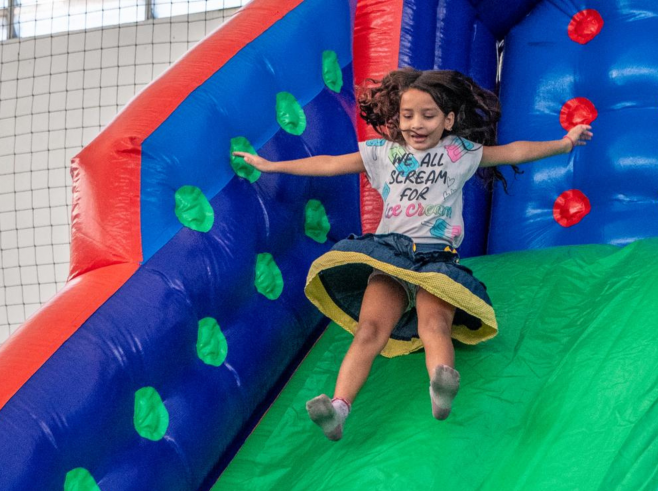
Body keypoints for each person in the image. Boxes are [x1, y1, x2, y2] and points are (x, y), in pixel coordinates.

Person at [233, 68, 593, 441]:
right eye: (407, 116)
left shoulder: (458, 153)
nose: (416, 124)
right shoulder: (384, 153)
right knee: (370, 330)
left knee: (433, 325)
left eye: (428, 116)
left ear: (448, 120)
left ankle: (440, 389)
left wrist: (563, 144)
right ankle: (339, 409)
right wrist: (271, 165)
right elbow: (329, 163)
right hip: (389, 254)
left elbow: (513, 151)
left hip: (436, 259)